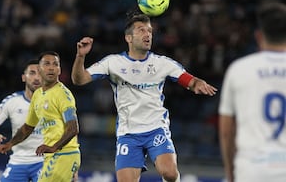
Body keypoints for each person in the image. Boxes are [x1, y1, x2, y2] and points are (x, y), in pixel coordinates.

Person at [71, 12, 217, 182]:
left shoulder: (162, 63)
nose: (147, 34)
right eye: (141, 30)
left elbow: (188, 79)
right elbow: (79, 80)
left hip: (156, 128)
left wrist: (197, 83)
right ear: (129, 38)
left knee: (169, 173)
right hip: (129, 133)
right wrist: (80, 56)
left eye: (149, 31)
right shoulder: (113, 63)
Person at [218, 3, 286, 182]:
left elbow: (227, 130)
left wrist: (231, 173)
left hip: (253, 169)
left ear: (259, 36)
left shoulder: (239, 70)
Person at [0, 51, 81, 182]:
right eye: (47, 64)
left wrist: (54, 147)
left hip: (63, 155)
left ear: (59, 70)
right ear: (39, 69)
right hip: (52, 156)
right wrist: (10, 144)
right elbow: (28, 127)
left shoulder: (63, 95)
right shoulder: (38, 95)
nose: (51, 67)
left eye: (55, 64)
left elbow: (73, 128)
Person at [0, 58, 43, 182]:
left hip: (45, 161)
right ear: (23, 77)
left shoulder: (54, 101)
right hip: (18, 161)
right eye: (32, 73)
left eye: (40, 73)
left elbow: (69, 132)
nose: (36, 78)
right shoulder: (12, 101)